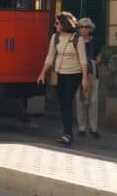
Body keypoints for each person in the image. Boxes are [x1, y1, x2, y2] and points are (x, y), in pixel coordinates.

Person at [37, 11, 89, 147]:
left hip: (74, 74)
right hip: (59, 74)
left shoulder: (77, 39)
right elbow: (50, 57)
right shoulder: (55, 37)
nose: (55, 25)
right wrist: (42, 73)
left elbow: (83, 60)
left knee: (66, 100)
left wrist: (84, 78)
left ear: (64, 24)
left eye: (57, 23)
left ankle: (68, 134)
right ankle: (67, 132)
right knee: (63, 103)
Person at [74, 17, 102, 138]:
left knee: (93, 101)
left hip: (93, 73)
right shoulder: (75, 41)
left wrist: (95, 63)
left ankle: (93, 128)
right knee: (79, 100)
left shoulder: (95, 41)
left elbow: (99, 55)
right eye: (81, 26)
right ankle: (81, 127)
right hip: (78, 72)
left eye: (86, 27)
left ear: (90, 29)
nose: (84, 29)